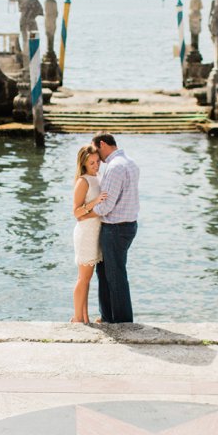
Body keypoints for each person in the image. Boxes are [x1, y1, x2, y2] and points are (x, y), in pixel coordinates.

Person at [91, 133, 140, 325]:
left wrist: (84, 211)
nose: (97, 157)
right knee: (106, 273)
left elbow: (105, 206)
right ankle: (108, 317)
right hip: (127, 225)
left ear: (102, 144)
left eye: (96, 150)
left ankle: (122, 322)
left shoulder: (115, 167)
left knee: (114, 276)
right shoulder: (130, 162)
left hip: (115, 228)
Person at [70, 143, 109, 325]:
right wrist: (94, 202)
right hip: (86, 233)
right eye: (91, 163)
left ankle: (84, 317)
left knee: (88, 279)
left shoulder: (99, 176)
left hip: (97, 232)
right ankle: (77, 318)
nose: (96, 165)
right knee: (83, 278)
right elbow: (76, 213)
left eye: (97, 161)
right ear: (84, 164)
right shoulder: (83, 181)